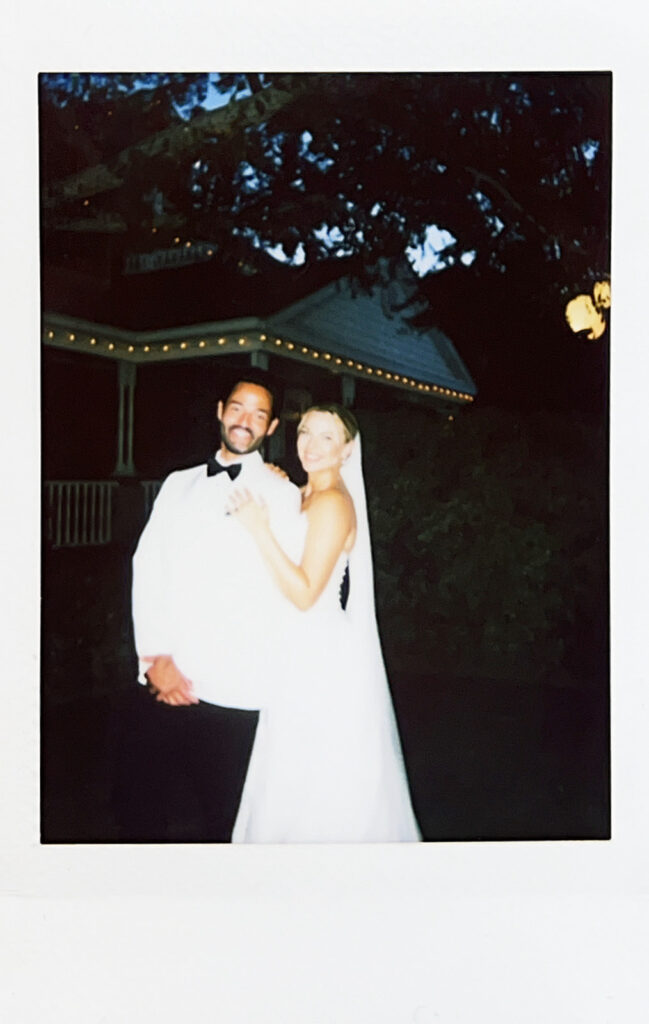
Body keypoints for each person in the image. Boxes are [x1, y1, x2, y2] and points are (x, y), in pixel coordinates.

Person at [113, 375, 301, 841]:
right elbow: (148, 566)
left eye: (259, 415)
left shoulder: (283, 494)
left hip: (236, 688)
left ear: (272, 426)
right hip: (166, 675)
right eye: (238, 408)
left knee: (225, 820)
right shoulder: (177, 484)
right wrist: (155, 659)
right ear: (220, 411)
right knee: (138, 809)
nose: (245, 421)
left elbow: (286, 590)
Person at [225, 403, 421, 843]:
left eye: (326, 437)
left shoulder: (332, 503)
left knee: (311, 779)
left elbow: (305, 593)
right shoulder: (308, 493)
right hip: (298, 648)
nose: (310, 445)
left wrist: (259, 529)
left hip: (319, 654)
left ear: (347, 450)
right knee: (292, 769)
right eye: (305, 432)